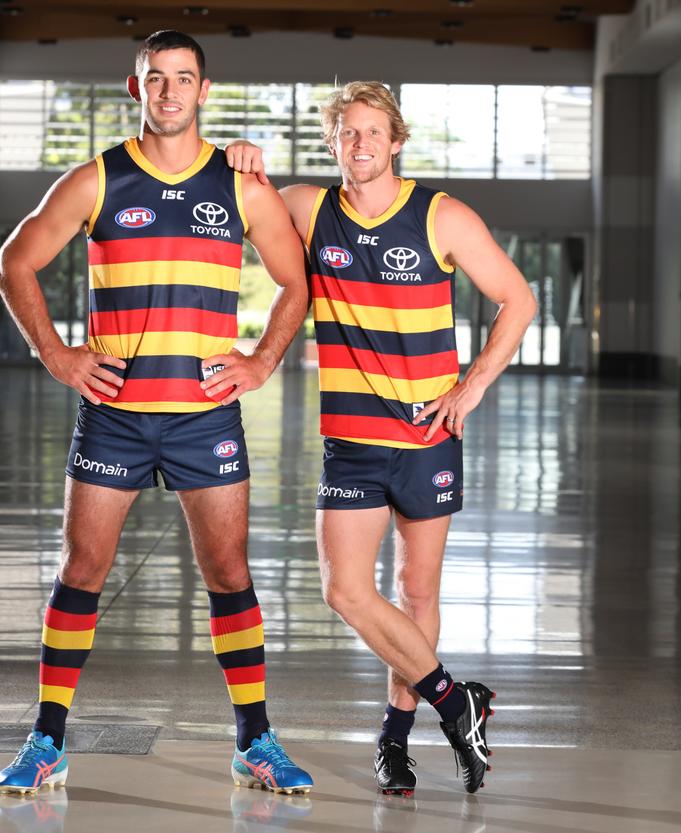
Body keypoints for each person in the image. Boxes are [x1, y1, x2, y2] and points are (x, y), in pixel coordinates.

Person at [0, 30, 312, 796]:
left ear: (205, 90)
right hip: (117, 414)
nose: (170, 92)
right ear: (135, 90)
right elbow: (14, 262)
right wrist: (56, 354)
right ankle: (47, 739)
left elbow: (296, 284)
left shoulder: (241, 185)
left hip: (205, 414)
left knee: (230, 573)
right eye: (155, 79)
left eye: (184, 78)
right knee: (81, 571)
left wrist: (262, 360)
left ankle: (254, 739)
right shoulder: (98, 180)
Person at [226, 81, 536, 795]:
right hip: (352, 441)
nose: (360, 143)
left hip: (428, 435)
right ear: (333, 143)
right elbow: (228, 202)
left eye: (373, 132)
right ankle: (458, 701)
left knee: (415, 589)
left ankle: (395, 741)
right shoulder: (308, 209)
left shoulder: (441, 217)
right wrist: (240, 159)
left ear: (396, 141)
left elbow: (519, 299)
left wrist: (472, 384)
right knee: (344, 589)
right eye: (347, 133)